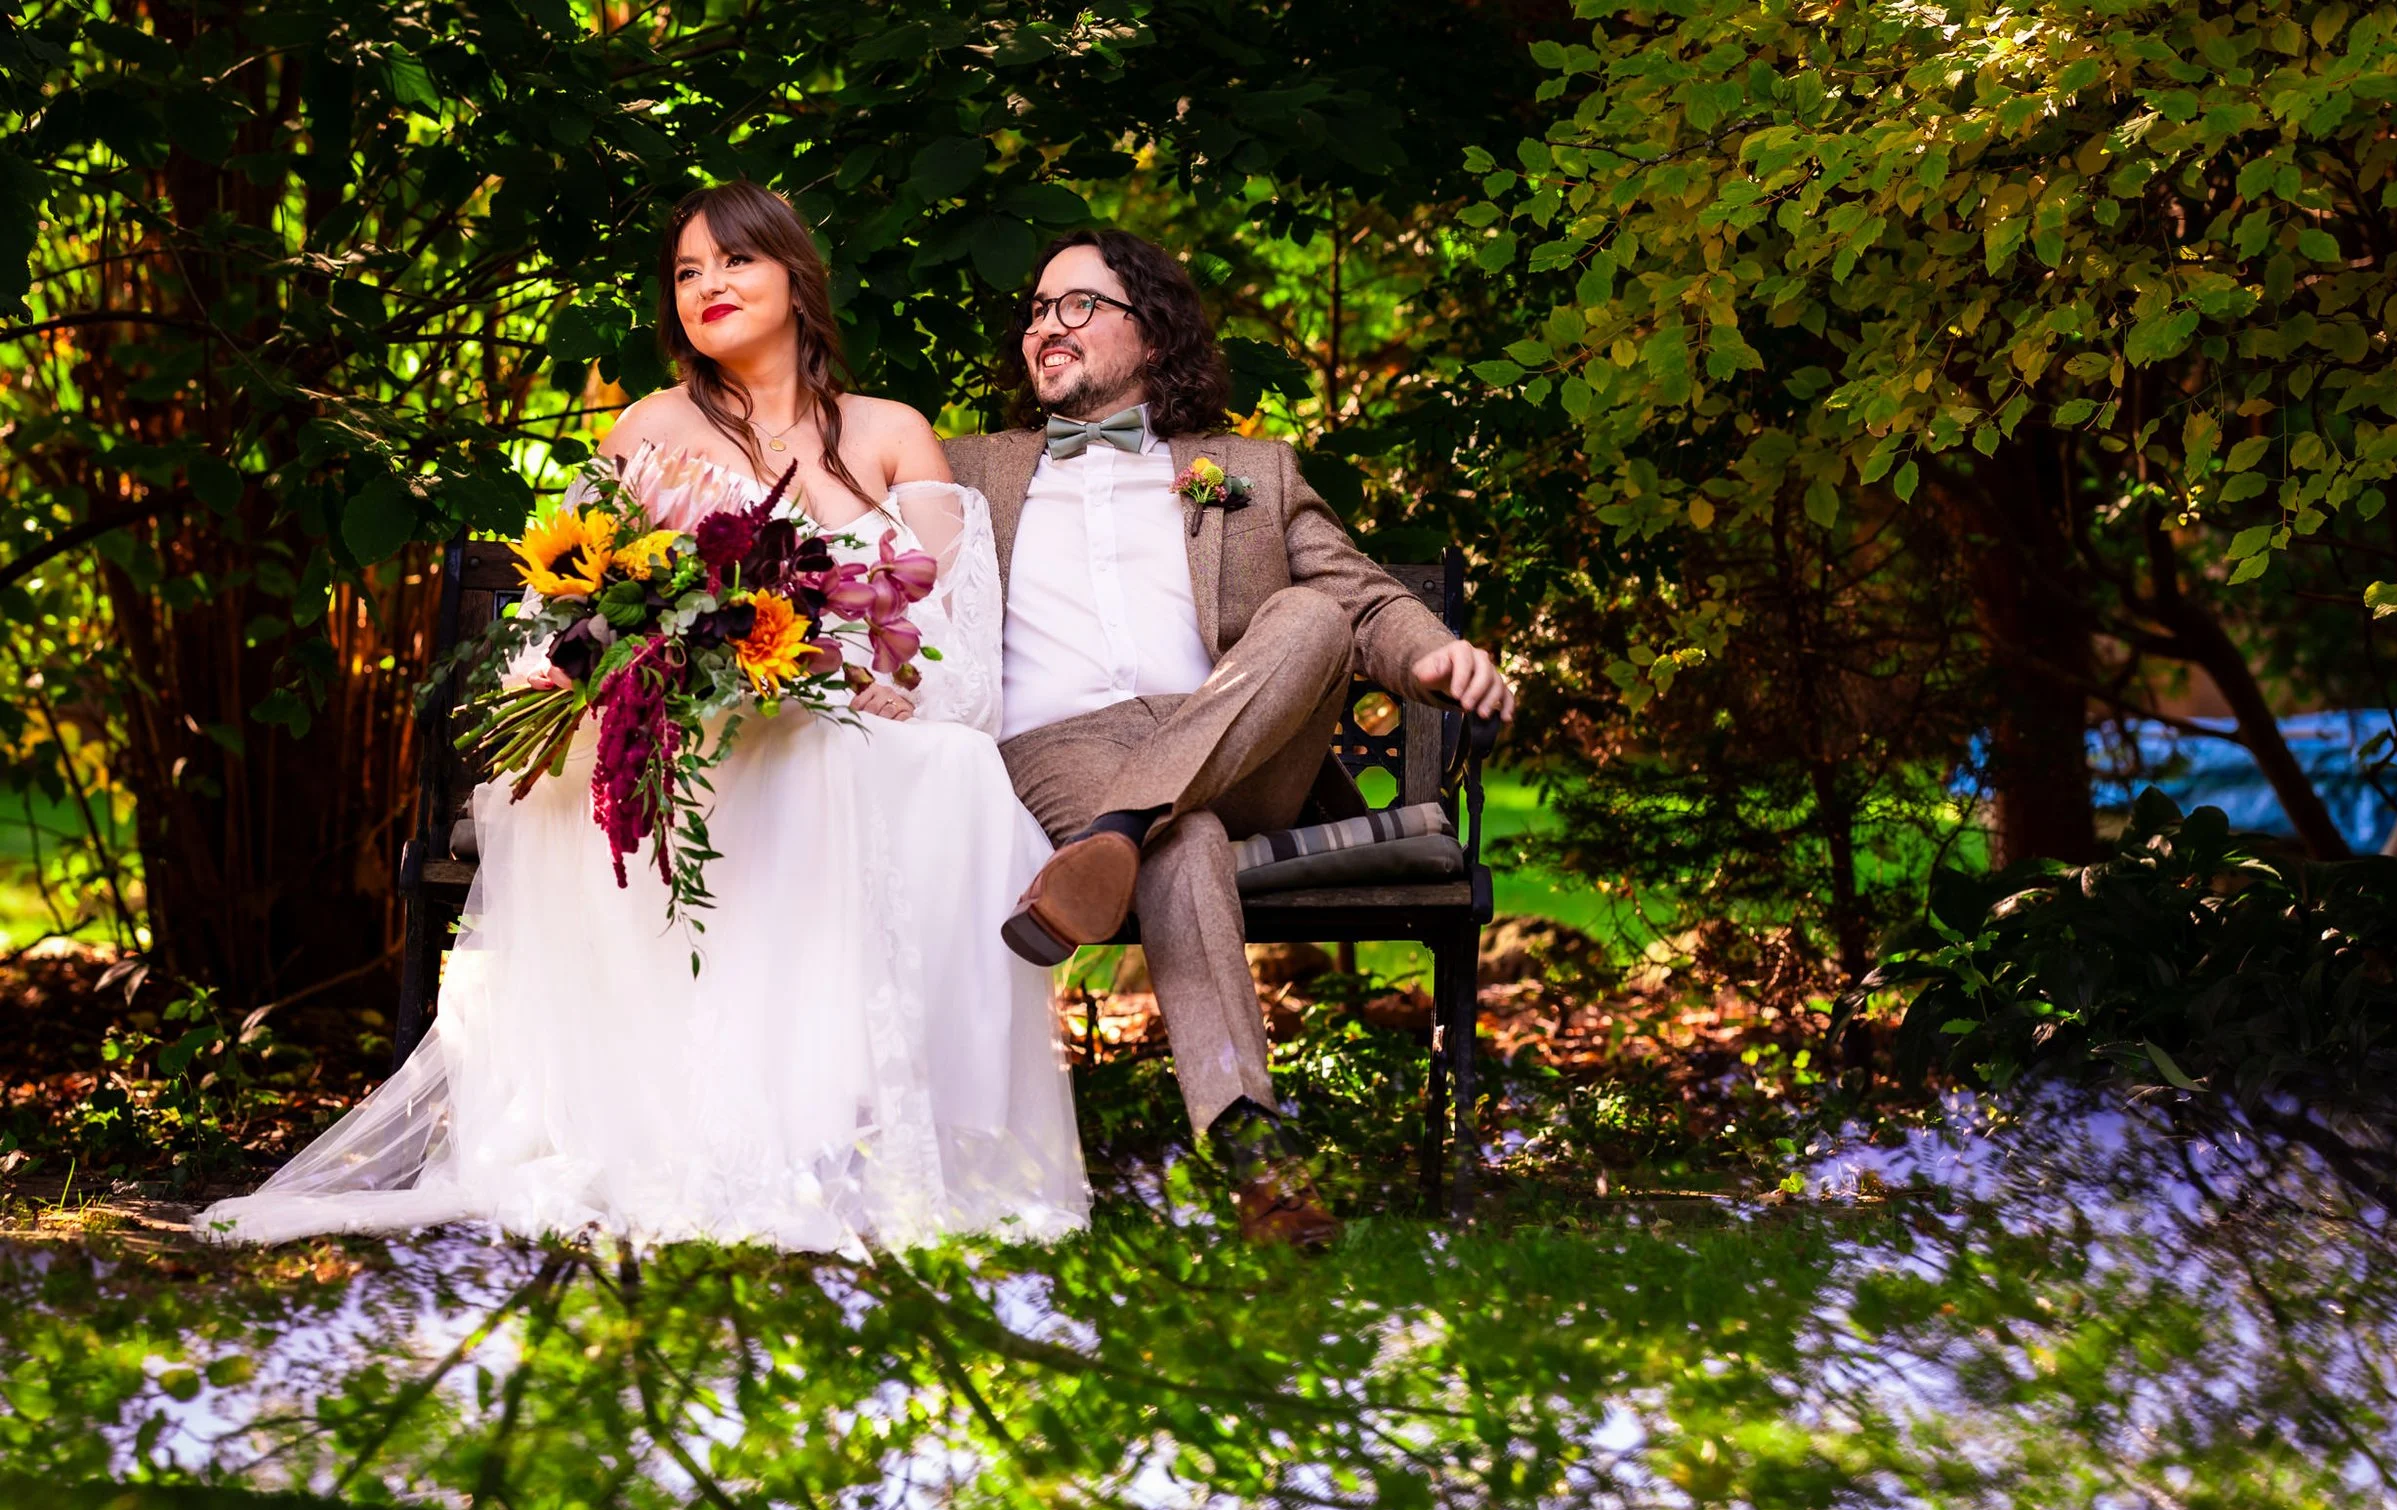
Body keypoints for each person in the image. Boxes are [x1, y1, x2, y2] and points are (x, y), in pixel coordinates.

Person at [197, 183, 1085, 1253]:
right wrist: (664, 660)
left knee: (947, 770)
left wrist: (879, 679)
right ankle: (744, 1122)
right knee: (792, 764)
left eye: (735, 262)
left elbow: (943, 621)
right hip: (687, 730)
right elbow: (583, 607)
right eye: (687, 272)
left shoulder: (891, 432)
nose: (709, 285)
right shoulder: (651, 428)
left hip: (842, 721)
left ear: (796, 278)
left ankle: (860, 1116)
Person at [943, 230, 1515, 1250]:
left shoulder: (1247, 467)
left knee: (1307, 618)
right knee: (1183, 840)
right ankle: (1260, 1160)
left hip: (1238, 741)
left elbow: (1362, 600)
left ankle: (1118, 833)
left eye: (1076, 305)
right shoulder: (970, 468)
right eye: (1035, 310)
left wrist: (1433, 656)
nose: (1045, 326)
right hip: (1061, 751)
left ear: (1150, 335)